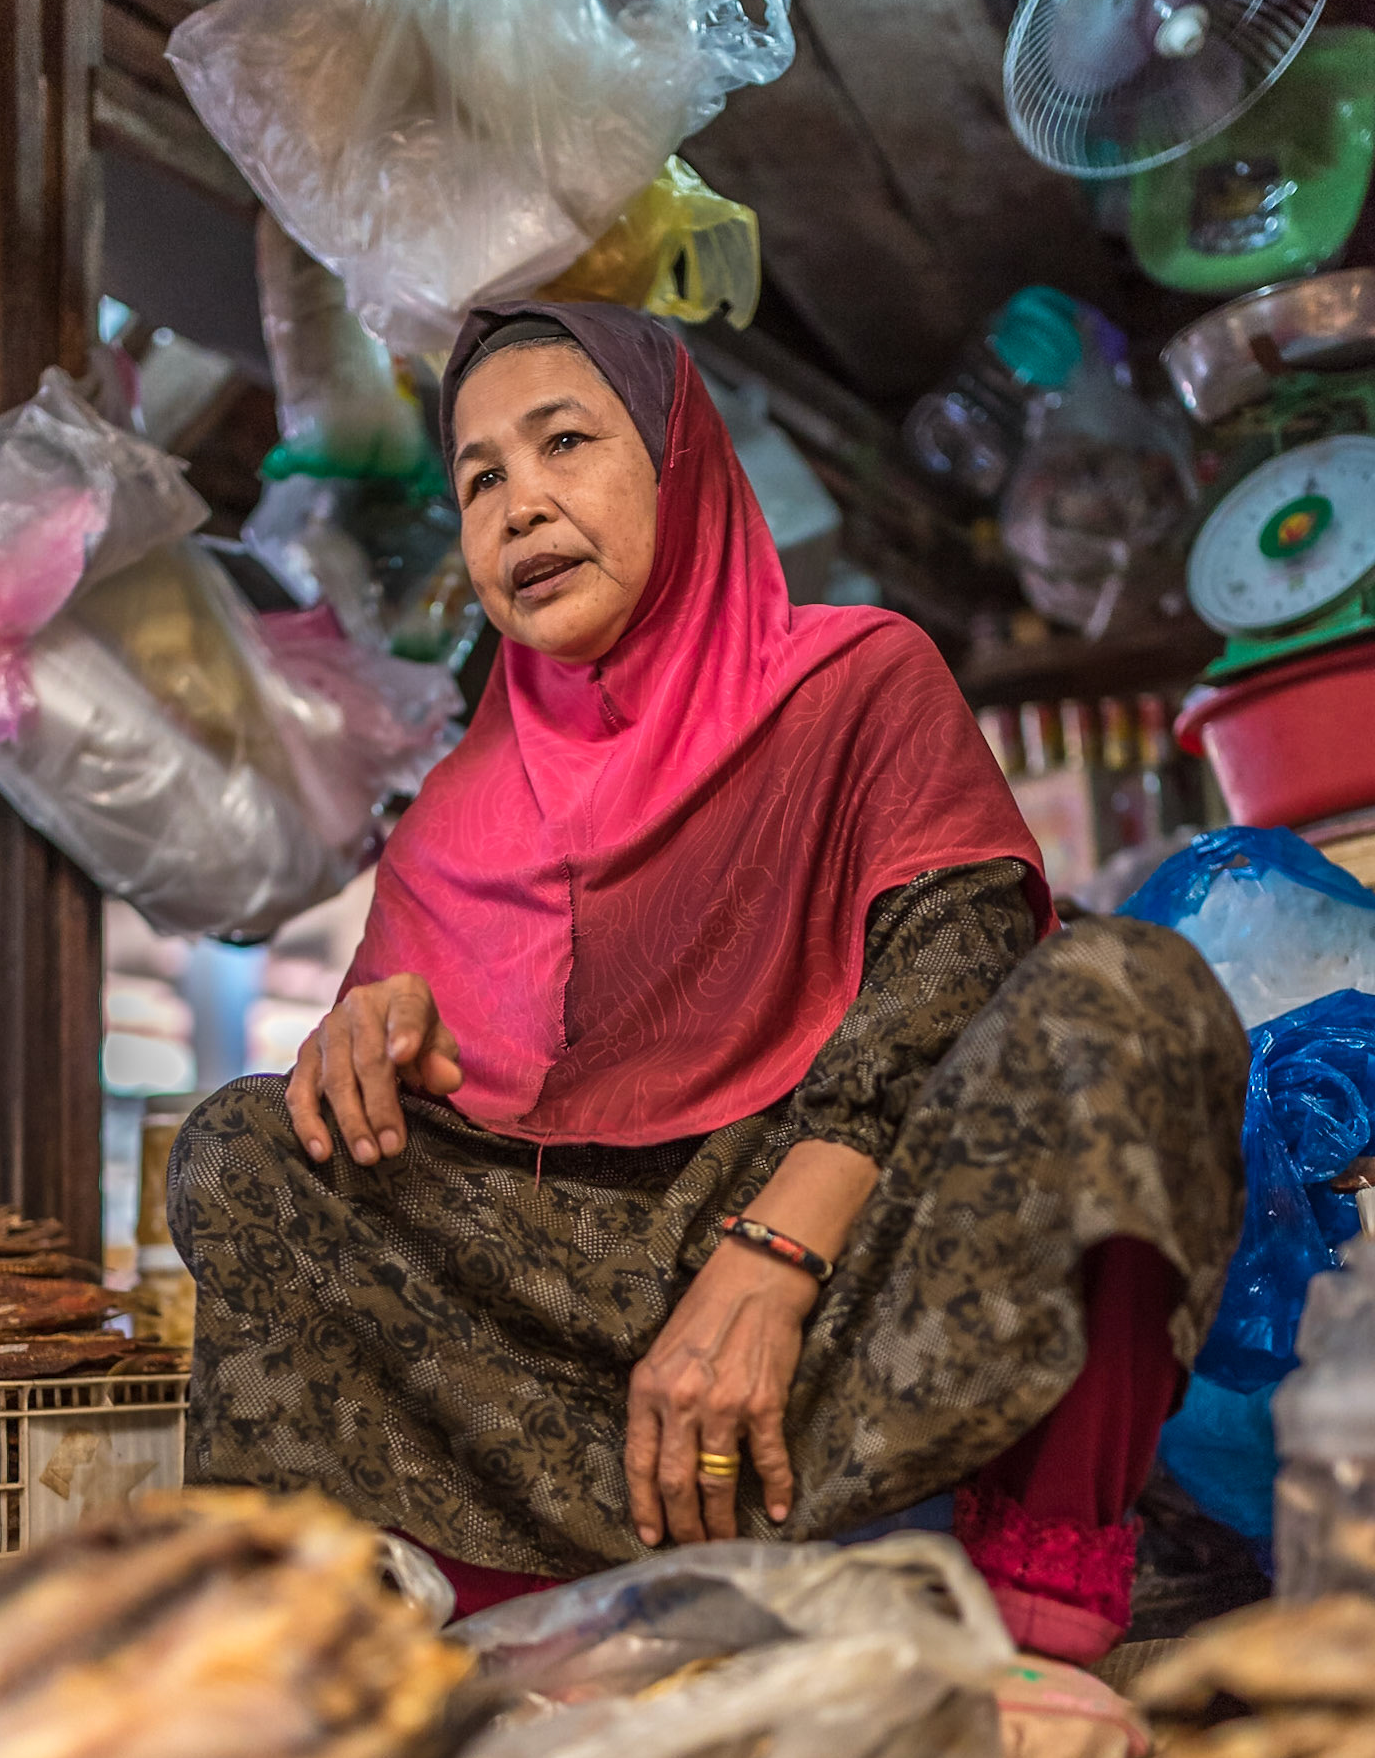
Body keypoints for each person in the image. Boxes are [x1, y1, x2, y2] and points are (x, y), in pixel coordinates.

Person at [170, 301, 1248, 1684]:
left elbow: (962, 965)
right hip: (585, 1360)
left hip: (834, 1293)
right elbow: (408, 1107)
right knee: (250, 1150)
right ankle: (494, 1625)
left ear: (679, 466)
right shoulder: (447, 817)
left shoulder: (854, 680)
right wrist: (363, 1046)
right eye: (482, 476)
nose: (520, 504)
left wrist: (773, 1252)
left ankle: (1039, 1619)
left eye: (566, 441)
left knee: (1127, 992)